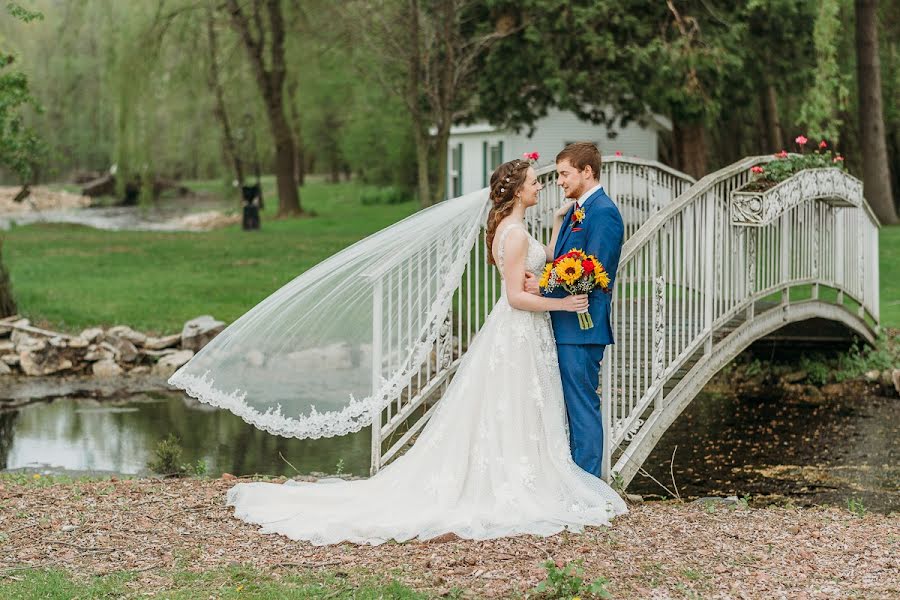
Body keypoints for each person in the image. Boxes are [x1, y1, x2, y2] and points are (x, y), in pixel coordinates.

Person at [223, 158, 627, 545]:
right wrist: (562, 303)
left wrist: (556, 227)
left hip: (521, 334)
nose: (541, 185)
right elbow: (516, 298)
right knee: (518, 403)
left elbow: (543, 268)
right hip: (521, 327)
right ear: (519, 191)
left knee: (516, 405)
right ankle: (523, 482)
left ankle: (526, 475)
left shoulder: (510, 227)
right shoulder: (517, 233)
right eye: (536, 181)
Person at [526, 143, 625, 477]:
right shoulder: (575, 210)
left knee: (581, 407)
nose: (559, 181)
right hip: (565, 323)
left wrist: (542, 287)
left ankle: (589, 489)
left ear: (587, 171)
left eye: (564, 174)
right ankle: (572, 482)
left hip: (582, 327)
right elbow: (566, 261)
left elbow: (596, 272)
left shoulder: (604, 212)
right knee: (568, 406)